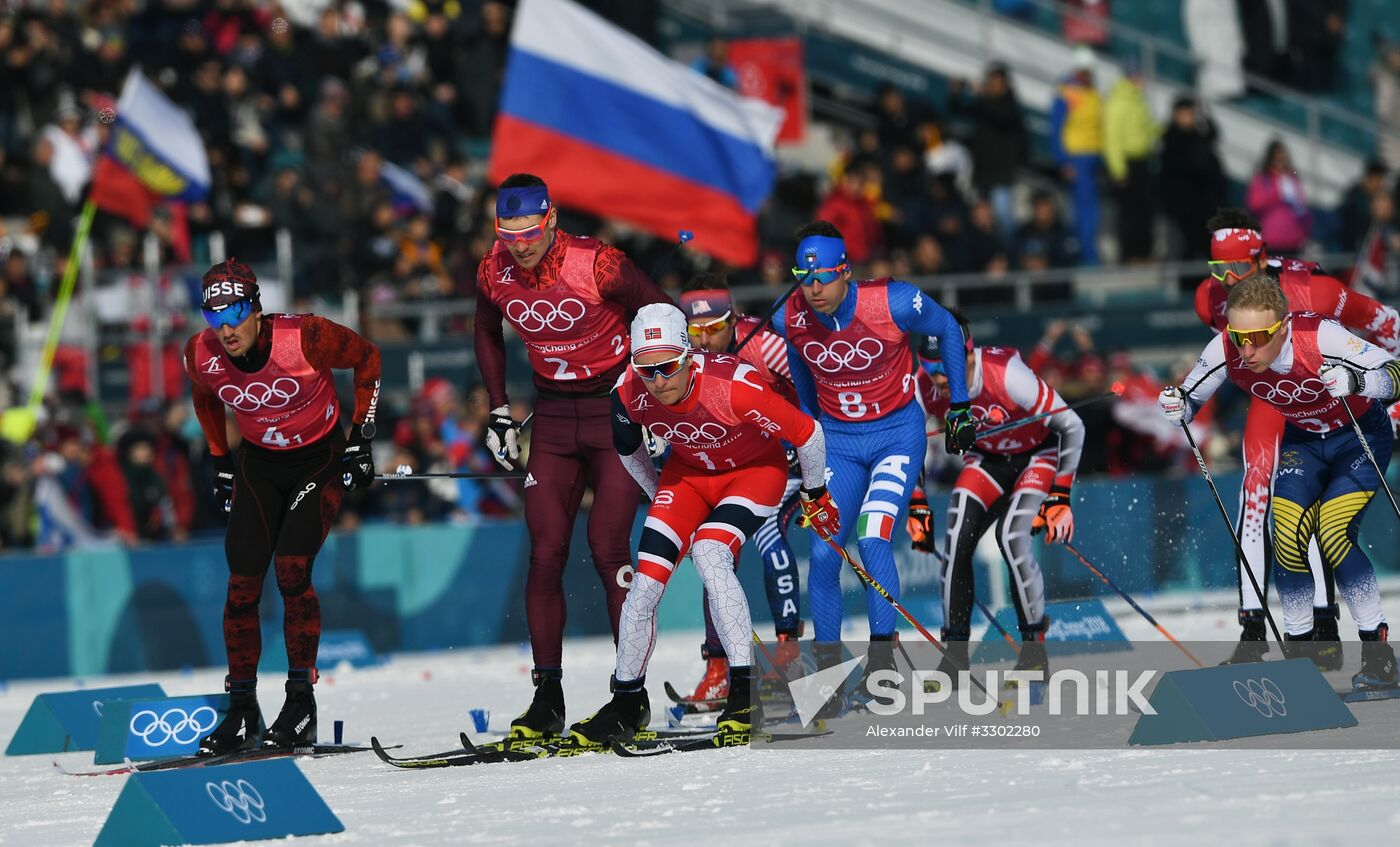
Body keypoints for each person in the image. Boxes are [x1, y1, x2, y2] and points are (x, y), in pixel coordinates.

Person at [569, 304, 837, 744]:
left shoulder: (733, 387)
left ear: (689, 356)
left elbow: (808, 433)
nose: (658, 381)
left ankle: (744, 692)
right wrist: (660, 496)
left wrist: (814, 494)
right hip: (689, 476)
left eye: (668, 367)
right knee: (645, 583)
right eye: (645, 368)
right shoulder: (626, 392)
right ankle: (627, 700)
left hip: (753, 472)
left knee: (711, 554)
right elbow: (628, 450)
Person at [474, 174, 670, 740]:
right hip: (555, 417)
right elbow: (486, 331)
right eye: (507, 232)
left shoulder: (600, 264)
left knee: (608, 547)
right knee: (545, 553)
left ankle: (630, 697)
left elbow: (662, 316)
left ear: (551, 218)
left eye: (531, 230)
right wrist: (498, 411)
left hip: (614, 412)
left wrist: (659, 402)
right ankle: (547, 699)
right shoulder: (493, 270)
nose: (520, 243)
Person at [1161, 275, 1398, 693]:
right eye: (1238, 336)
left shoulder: (1319, 335)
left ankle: (1380, 658)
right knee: (1287, 536)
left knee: (1333, 533)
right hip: (1304, 441)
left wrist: (1359, 382)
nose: (1247, 350)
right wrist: (1178, 404)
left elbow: (1394, 371)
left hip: (1358, 436)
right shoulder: (1226, 350)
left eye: (1258, 337)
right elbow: (1190, 398)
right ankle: (1301, 659)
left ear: (1284, 326)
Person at [184, 259, 382, 754]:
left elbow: (369, 359)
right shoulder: (200, 353)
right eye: (213, 315)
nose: (225, 328)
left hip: (318, 457)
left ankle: (300, 702)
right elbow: (206, 400)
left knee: (292, 571)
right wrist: (219, 461)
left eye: (234, 312)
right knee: (242, 583)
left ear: (255, 308)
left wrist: (361, 439)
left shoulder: (307, 336)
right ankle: (243, 708)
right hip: (260, 463)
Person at [1195, 208, 1400, 663]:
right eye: (1216, 269)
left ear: (1262, 257)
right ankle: (1256, 633)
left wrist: (1383, 393)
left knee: (1327, 526)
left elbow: (1387, 324)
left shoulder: (1314, 290)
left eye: (1238, 268)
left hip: (1334, 397)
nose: (1226, 281)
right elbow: (1219, 364)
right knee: (1257, 494)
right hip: (1276, 397)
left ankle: (1329, 627)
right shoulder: (1208, 298)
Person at [772, 221, 975, 676]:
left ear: (845, 271)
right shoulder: (791, 316)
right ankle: (828, 672)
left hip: (896, 439)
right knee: (823, 552)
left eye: (823, 276)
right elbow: (803, 375)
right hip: (839, 446)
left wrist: (959, 406)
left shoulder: (893, 300)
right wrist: (805, 432)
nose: (814, 288)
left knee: (871, 535)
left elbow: (947, 328)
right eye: (804, 279)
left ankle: (880, 666)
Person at [911, 314, 1084, 680]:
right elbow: (907, 443)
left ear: (967, 355)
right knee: (956, 537)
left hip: (1036, 456)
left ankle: (1034, 648)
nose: (939, 378)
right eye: (930, 367)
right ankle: (955, 654)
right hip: (988, 460)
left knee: (1011, 537)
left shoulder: (1006, 374)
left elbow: (1072, 425)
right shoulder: (923, 386)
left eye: (945, 366)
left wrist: (1060, 496)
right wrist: (917, 502)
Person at [674, 273, 804, 707]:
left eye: (715, 328)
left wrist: (800, 446)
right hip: (723, 468)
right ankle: (719, 669)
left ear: (733, 319)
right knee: (712, 556)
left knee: (769, 538)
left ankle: (788, 655)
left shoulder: (765, 344)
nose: (705, 339)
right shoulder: (681, 356)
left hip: (777, 464)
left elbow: (811, 390)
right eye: (695, 330)